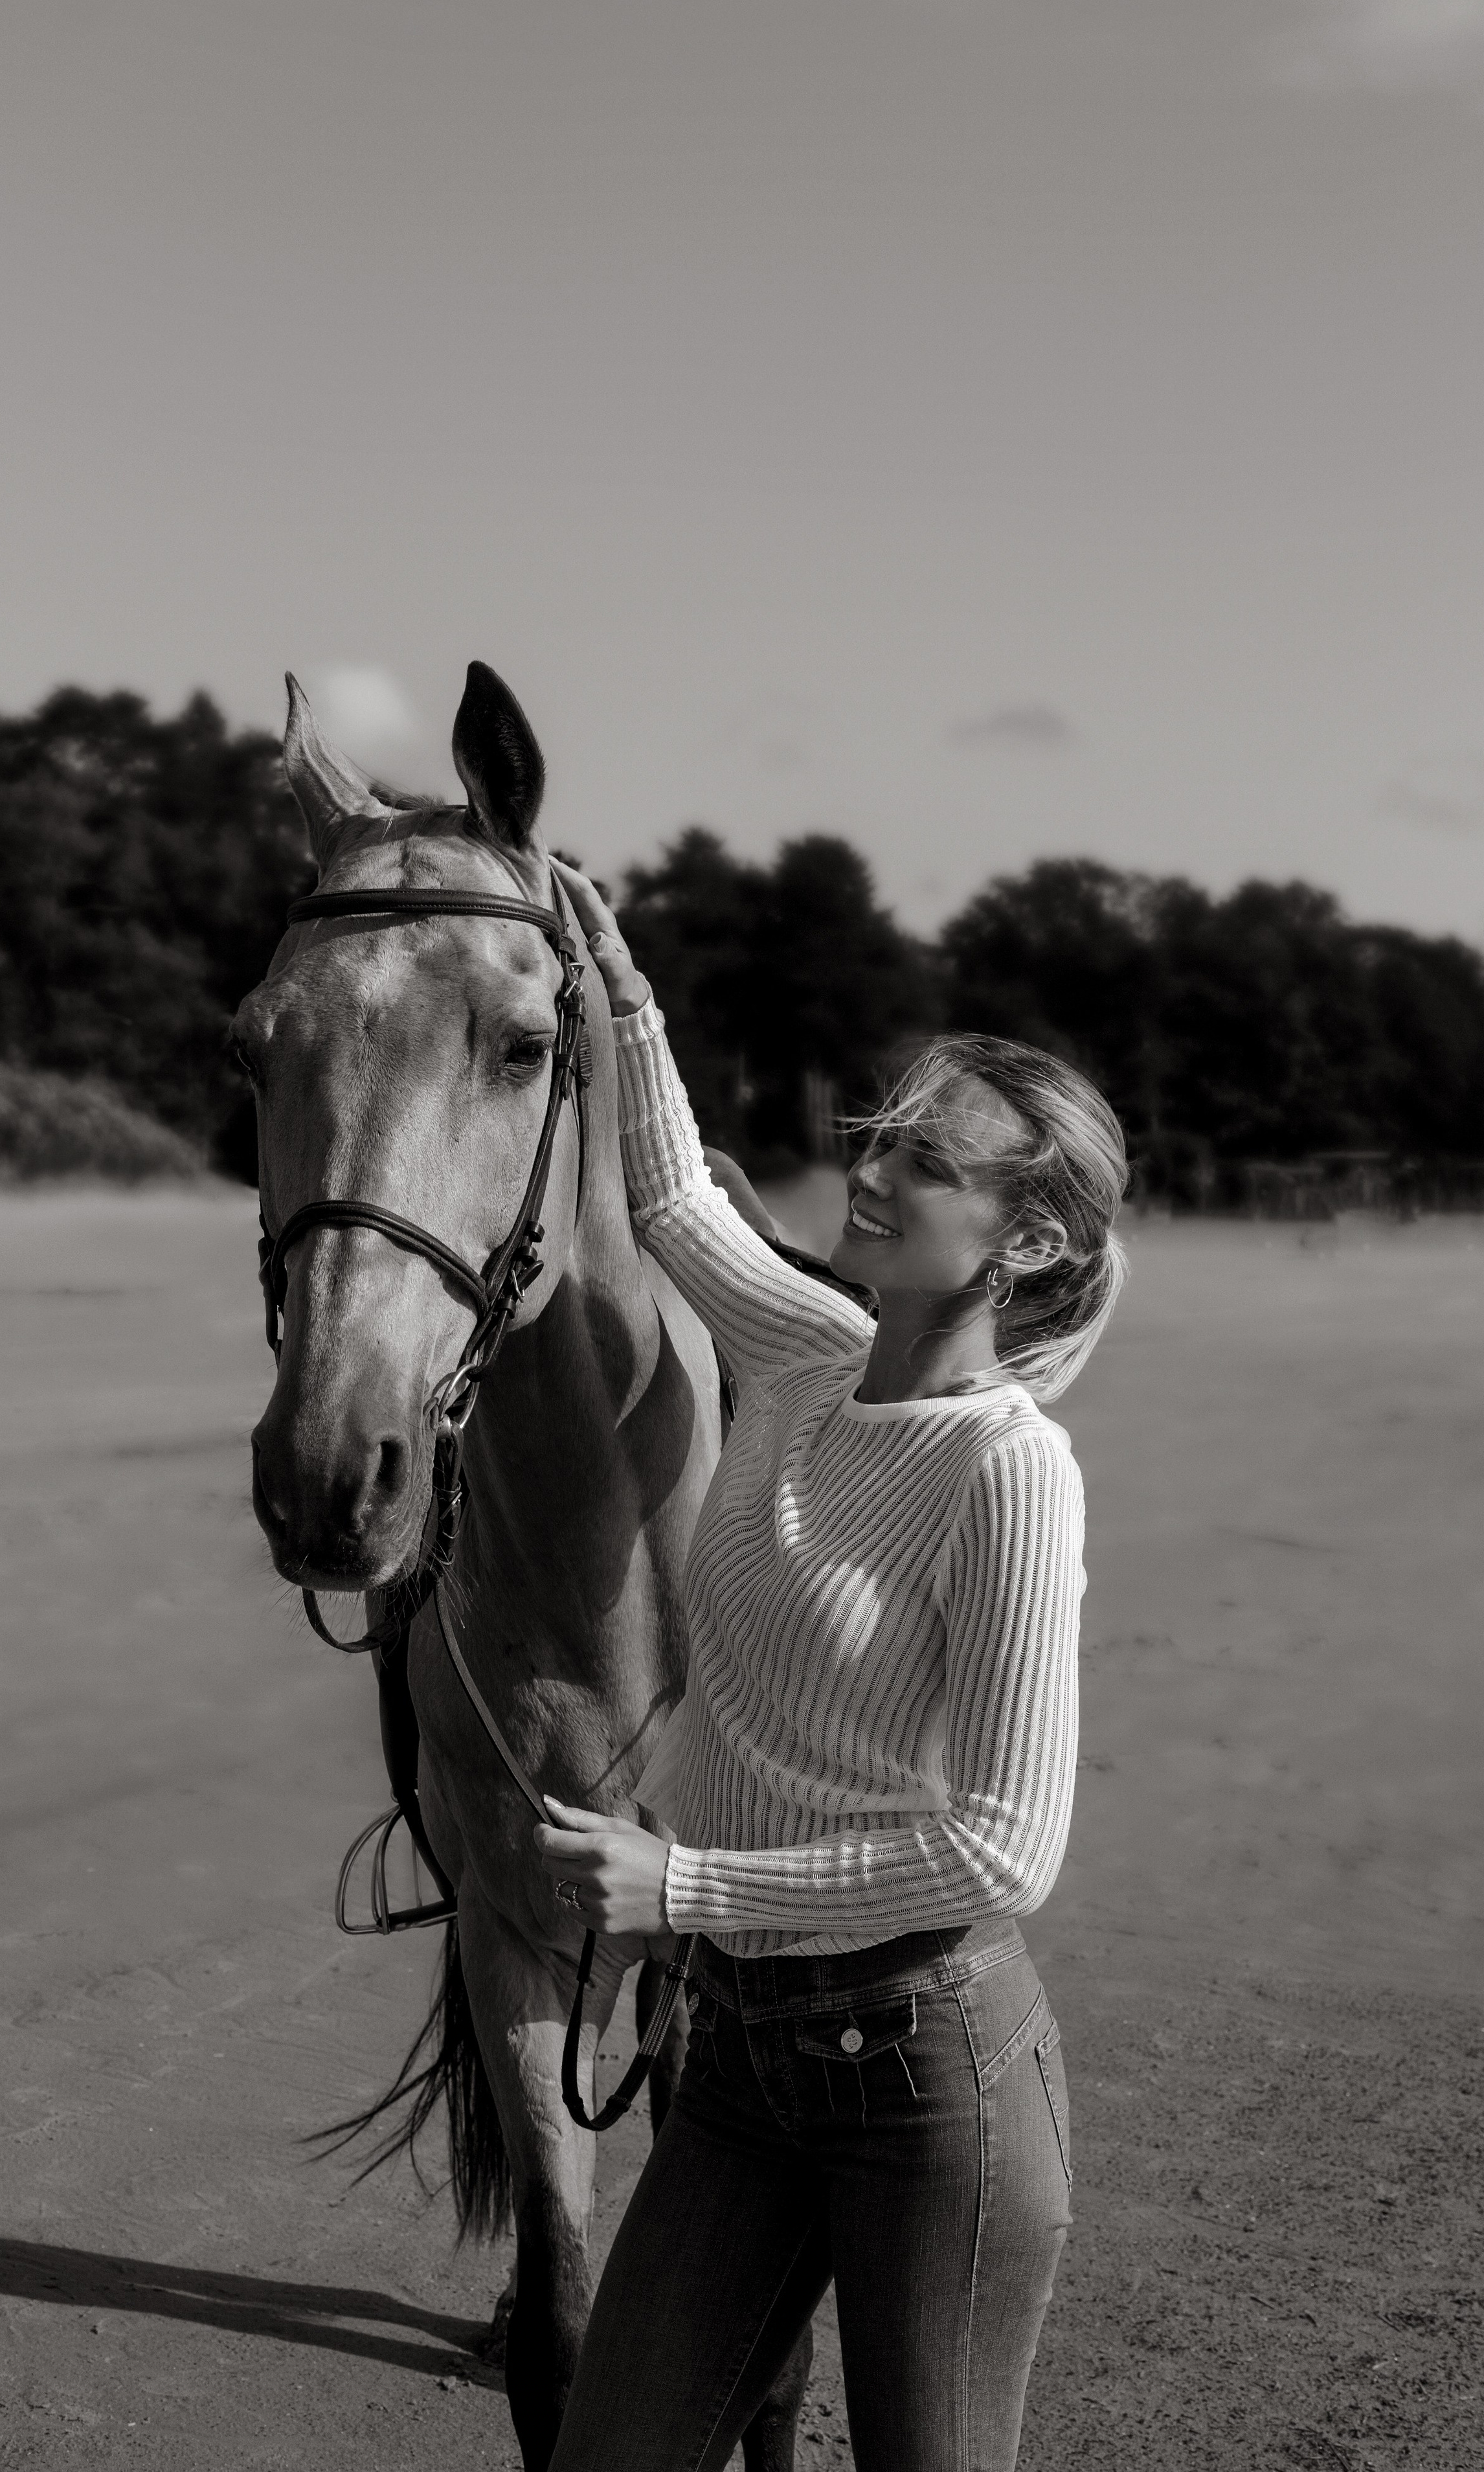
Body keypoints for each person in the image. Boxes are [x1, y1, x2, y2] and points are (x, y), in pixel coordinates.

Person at [540, 863, 1129, 2472]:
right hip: (735, 2061)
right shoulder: (805, 1358)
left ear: (1028, 1238)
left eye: (924, 1164)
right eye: (878, 1140)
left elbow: (1006, 1848)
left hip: (922, 2076)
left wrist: (685, 1890)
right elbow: (671, 1202)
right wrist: (615, 980)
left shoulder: (1008, 1468)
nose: (870, 1174)